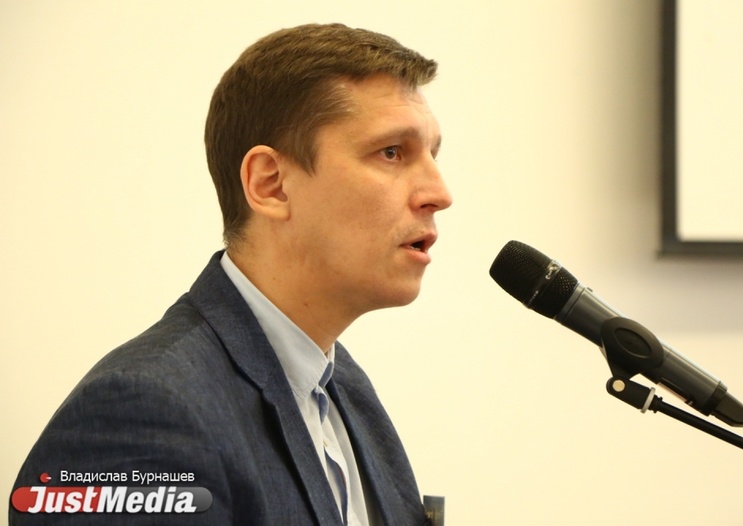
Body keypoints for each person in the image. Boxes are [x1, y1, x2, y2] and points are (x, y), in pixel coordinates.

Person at [9, 23, 452, 525]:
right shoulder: (142, 413)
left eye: (432, 155)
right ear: (271, 184)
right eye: (392, 152)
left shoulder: (343, 389)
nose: (439, 193)